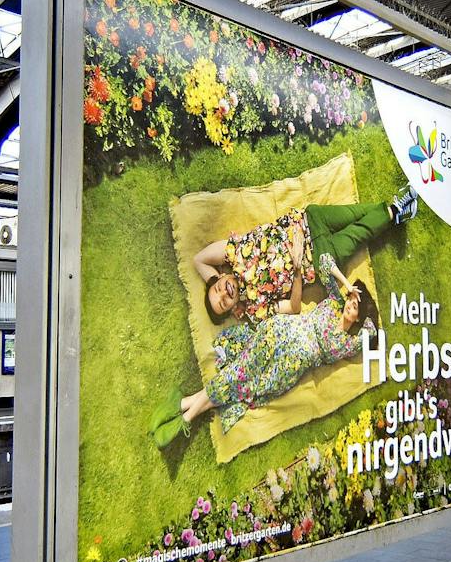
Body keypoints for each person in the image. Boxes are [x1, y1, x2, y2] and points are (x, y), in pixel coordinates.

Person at [151, 253, 377, 446]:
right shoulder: (335, 302)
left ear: (359, 318)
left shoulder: (347, 343)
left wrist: (366, 311)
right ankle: (186, 417)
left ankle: (183, 404)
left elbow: (372, 331)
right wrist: (348, 286)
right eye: (351, 299)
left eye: (355, 306)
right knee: (238, 373)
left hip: (287, 367)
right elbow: (325, 261)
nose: (350, 303)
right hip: (276, 335)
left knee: (242, 386)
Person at [196, 188, 416, 323]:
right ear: (233, 309)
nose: (224, 294)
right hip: (320, 258)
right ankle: (396, 209)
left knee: (358, 213)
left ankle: (394, 216)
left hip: (310, 220)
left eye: (217, 290)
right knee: (360, 232)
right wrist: (297, 268)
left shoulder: (234, 253)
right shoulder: (256, 308)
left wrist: (214, 282)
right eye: (223, 303)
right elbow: (294, 308)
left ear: (219, 277)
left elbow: (198, 260)